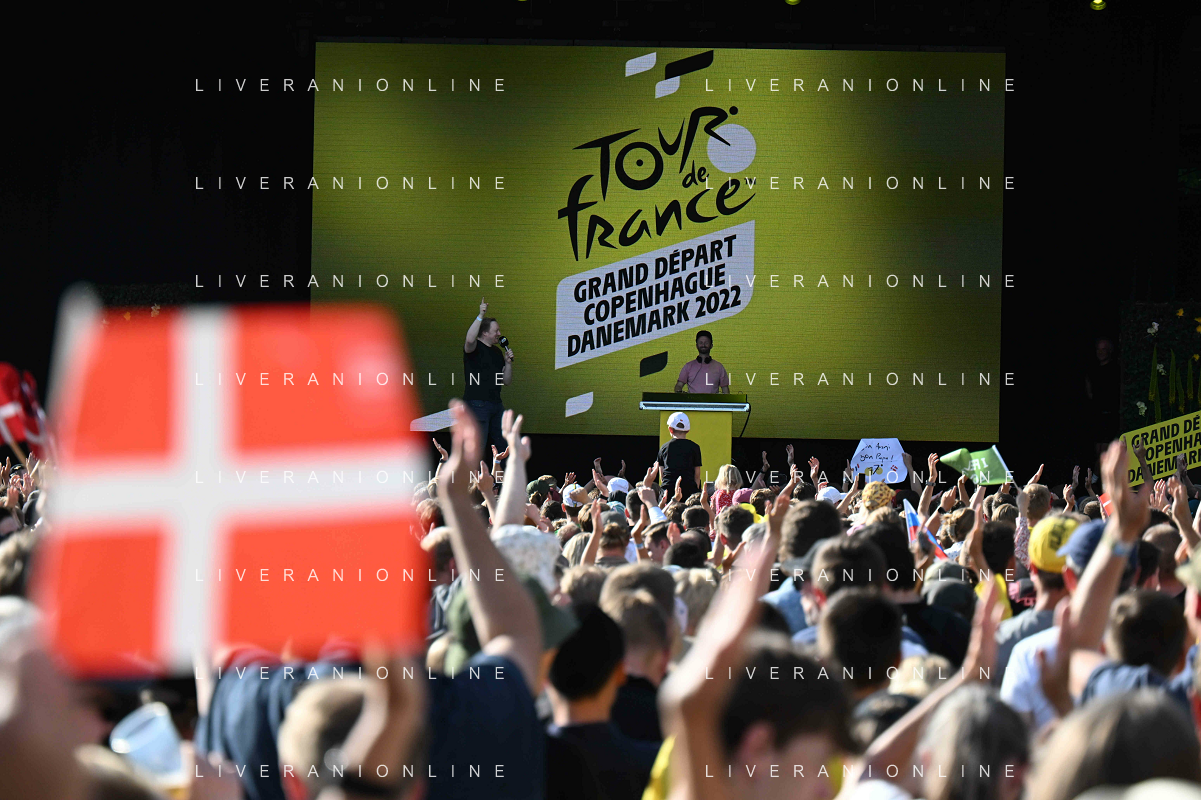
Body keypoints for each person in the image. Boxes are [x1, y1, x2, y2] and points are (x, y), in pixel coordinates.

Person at [463, 297, 513, 455]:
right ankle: (474, 472)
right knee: (477, 446)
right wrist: (481, 315)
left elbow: (506, 381)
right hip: (477, 404)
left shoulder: (497, 352)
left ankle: (500, 471)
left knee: (502, 446)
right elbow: (469, 339)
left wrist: (508, 363)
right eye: (496, 331)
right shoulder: (475, 348)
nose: (499, 334)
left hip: (496, 404)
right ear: (484, 332)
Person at [657, 413, 702, 500]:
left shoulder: (664, 448)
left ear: (670, 429)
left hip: (668, 492)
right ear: (687, 430)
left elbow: (662, 475)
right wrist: (694, 491)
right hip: (689, 491)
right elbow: (697, 475)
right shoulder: (695, 447)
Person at [674, 329, 729, 394]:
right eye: (701, 343)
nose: (703, 345)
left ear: (711, 345)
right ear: (696, 346)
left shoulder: (719, 367)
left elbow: (725, 389)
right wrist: (679, 392)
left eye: (706, 343)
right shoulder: (688, 366)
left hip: (713, 401)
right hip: (692, 401)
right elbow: (679, 385)